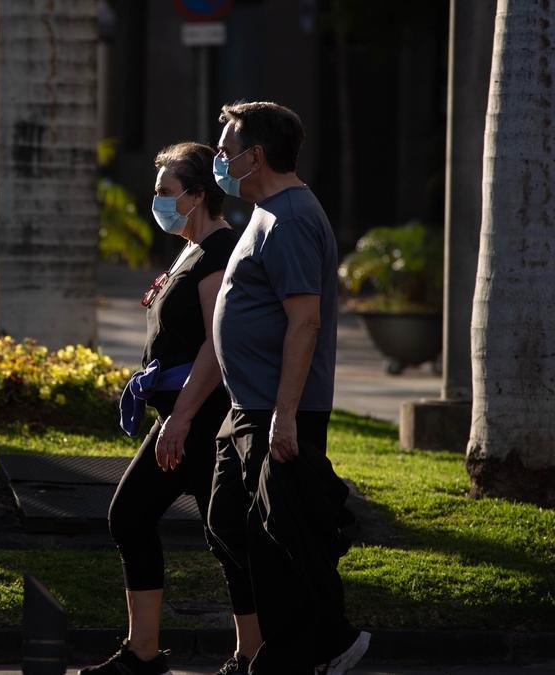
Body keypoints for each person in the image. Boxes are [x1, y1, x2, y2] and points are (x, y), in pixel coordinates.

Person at [81, 142, 258, 675]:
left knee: (144, 518)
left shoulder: (218, 251)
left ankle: (242, 655)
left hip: (202, 417)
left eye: (164, 191)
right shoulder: (190, 249)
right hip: (182, 415)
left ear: (197, 195)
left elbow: (214, 343)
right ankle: (173, 653)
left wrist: (180, 417)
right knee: (218, 532)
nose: (155, 200)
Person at [205, 101, 370, 675]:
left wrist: (285, 415)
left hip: (277, 409)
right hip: (246, 405)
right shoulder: (263, 210)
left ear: (257, 154)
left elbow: (306, 322)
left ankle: (318, 646)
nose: (221, 159)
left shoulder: (293, 217)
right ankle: (307, 643)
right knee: (231, 525)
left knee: (282, 537)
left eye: (228, 149)